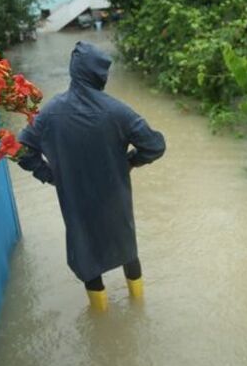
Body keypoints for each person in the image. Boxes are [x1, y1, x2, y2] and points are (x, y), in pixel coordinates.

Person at [17, 41, 166, 311]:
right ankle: (138, 308)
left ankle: (100, 316)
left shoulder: (49, 114)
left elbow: (22, 151)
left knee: (87, 255)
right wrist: (130, 161)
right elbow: (155, 145)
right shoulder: (118, 111)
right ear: (101, 76)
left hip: (76, 203)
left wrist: (52, 176)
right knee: (127, 250)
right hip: (115, 199)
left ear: (74, 71)